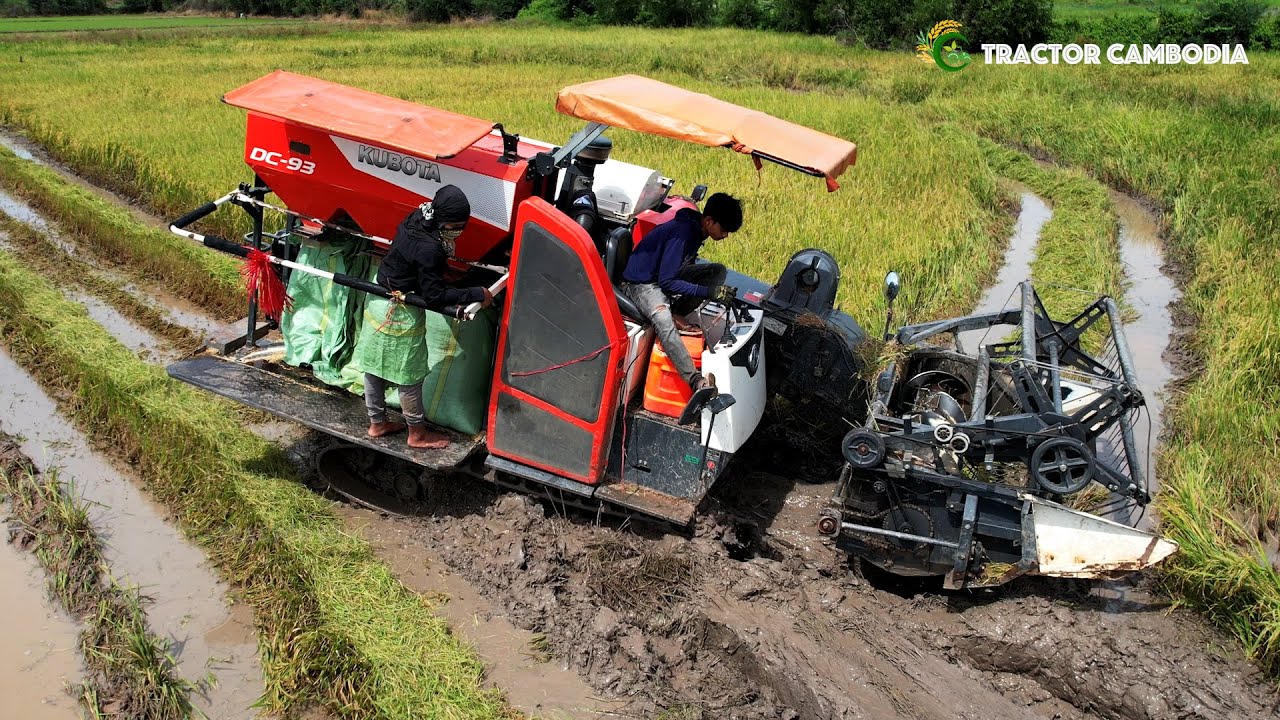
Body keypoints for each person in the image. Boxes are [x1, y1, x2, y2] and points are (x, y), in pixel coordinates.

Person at [354, 185, 493, 449]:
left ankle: (377, 423)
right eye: (459, 225)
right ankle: (416, 434)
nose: (460, 229)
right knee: (409, 374)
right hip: (400, 312)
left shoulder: (417, 216)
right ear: (447, 222)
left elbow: (415, 260)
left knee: (374, 366)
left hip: (378, 300)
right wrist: (477, 292)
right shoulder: (431, 248)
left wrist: (437, 273)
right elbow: (434, 296)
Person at [620, 192, 742, 420]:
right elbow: (667, 281)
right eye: (723, 230)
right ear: (709, 221)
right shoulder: (683, 234)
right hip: (641, 284)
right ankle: (696, 381)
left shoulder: (696, 230)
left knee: (717, 271)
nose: (725, 235)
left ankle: (677, 313)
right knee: (664, 321)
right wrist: (707, 292)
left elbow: (672, 273)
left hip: (659, 275)